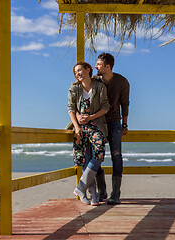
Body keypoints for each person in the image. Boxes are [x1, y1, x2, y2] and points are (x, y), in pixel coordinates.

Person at [78, 53, 130, 205]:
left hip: (114, 123)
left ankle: (116, 193)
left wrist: (124, 125)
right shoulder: (94, 80)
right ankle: (102, 191)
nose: (96, 66)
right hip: (97, 122)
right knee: (97, 156)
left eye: (99, 64)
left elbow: (125, 104)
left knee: (116, 155)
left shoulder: (122, 82)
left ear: (108, 66)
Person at [68, 61, 110, 206]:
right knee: (86, 159)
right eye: (75, 72)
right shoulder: (74, 89)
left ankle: (80, 187)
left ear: (88, 70)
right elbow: (71, 108)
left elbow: (106, 107)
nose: (77, 74)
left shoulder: (99, 87)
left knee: (98, 154)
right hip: (80, 128)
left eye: (79, 70)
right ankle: (93, 196)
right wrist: (77, 125)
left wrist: (91, 117)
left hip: (96, 126)